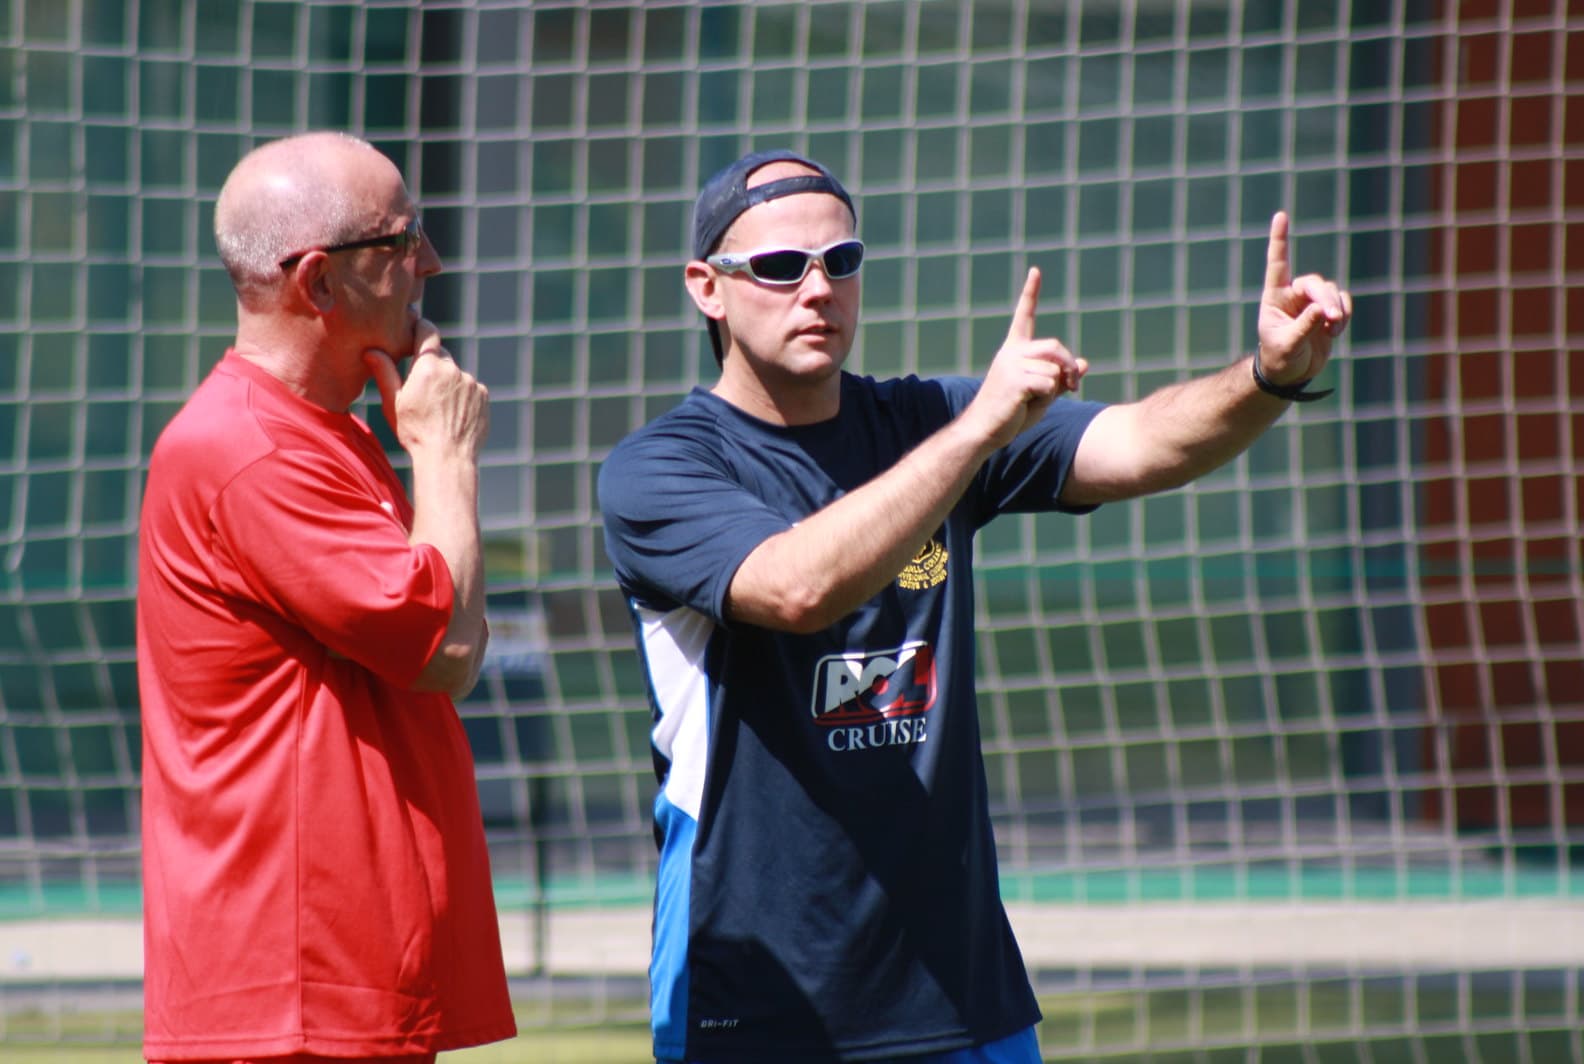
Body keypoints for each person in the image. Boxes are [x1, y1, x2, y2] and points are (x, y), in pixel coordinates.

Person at [598, 148, 1352, 1063]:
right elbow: (795, 587)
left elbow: (1142, 442)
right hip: (759, 994)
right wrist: (979, 432)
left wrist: (1265, 377)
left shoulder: (933, 421)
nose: (816, 289)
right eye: (779, 266)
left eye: (840, 263)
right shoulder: (660, 468)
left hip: (962, 994)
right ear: (706, 289)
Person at [136, 132, 515, 1064]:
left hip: (336, 988)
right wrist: (446, 455)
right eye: (401, 239)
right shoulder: (250, 450)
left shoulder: (325, 436)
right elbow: (448, 653)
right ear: (317, 283)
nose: (428, 261)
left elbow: (447, 624)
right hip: (293, 996)